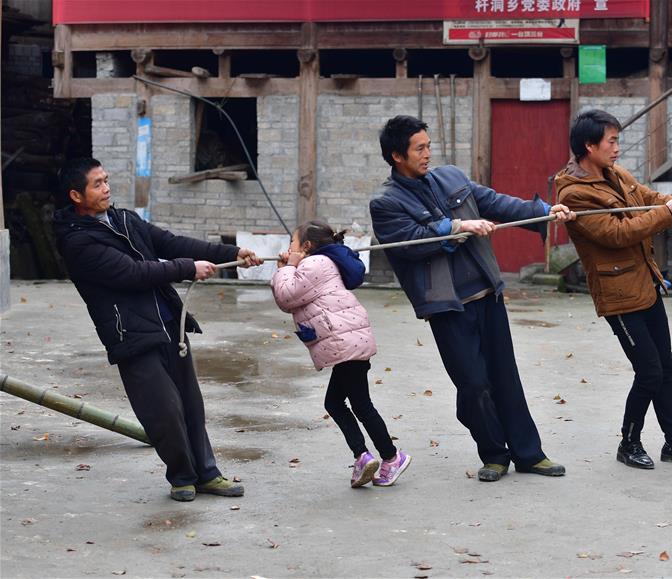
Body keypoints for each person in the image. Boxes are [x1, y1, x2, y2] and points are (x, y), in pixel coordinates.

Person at [369, 115, 575, 482]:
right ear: (397, 156)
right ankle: (494, 454)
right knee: (473, 383)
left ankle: (529, 454)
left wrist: (544, 212)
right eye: (419, 149)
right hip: (446, 306)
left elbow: (495, 202)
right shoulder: (386, 203)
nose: (428, 154)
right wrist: (457, 226)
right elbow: (412, 243)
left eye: (429, 146)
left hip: (486, 293)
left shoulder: (451, 177)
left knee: (505, 377)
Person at [53, 157, 263, 502]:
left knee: (191, 404)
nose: (106, 188)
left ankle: (208, 475)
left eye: (106, 180)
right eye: (97, 184)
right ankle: (181, 476)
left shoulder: (125, 219)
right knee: (163, 410)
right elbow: (132, 273)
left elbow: (171, 242)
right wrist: (187, 269)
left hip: (169, 324)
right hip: (131, 334)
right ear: (76, 195)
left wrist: (232, 251)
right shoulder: (76, 242)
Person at [555, 109, 672, 470]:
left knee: (664, 365)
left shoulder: (615, 174)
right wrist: (668, 213)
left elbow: (653, 199)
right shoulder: (575, 194)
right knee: (650, 371)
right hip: (618, 295)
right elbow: (618, 234)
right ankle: (629, 442)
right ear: (589, 146)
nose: (617, 148)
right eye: (612, 141)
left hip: (645, 283)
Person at [271, 220, 411, 488]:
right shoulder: (316, 264)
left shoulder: (315, 264)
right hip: (347, 340)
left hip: (344, 341)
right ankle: (365, 457)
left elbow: (287, 296)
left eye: (292, 243)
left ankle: (390, 457)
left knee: (357, 405)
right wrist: (287, 268)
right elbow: (290, 300)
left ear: (306, 246)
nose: (289, 248)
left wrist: (287, 268)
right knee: (341, 403)